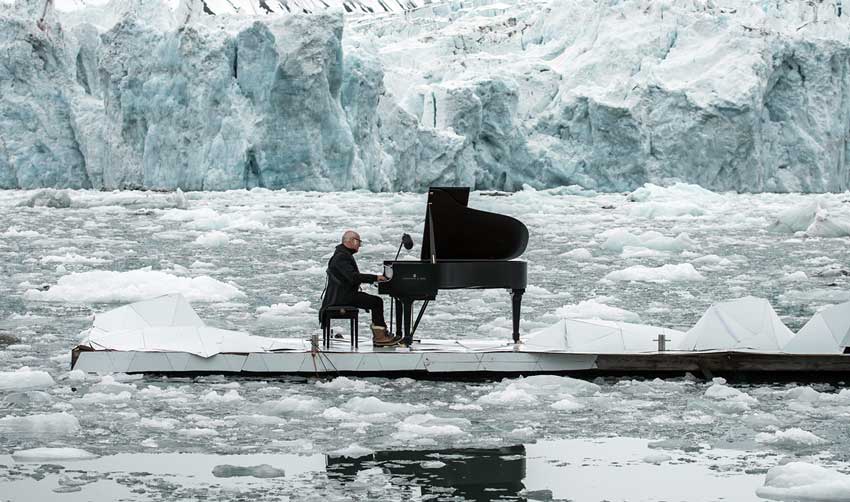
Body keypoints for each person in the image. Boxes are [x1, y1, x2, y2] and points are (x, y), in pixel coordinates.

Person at [319, 231, 399, 347]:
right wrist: (375, 278)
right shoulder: (342, 257)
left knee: (375, 301)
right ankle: (380, 337)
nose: (359, 245)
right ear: (351, 241)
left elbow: (351, 277)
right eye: (358, 242)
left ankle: (381, 335)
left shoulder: (342, 254)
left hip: (343, 294)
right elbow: (353, 277)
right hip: (342, 297)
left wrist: (373, 279)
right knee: (376, 302)